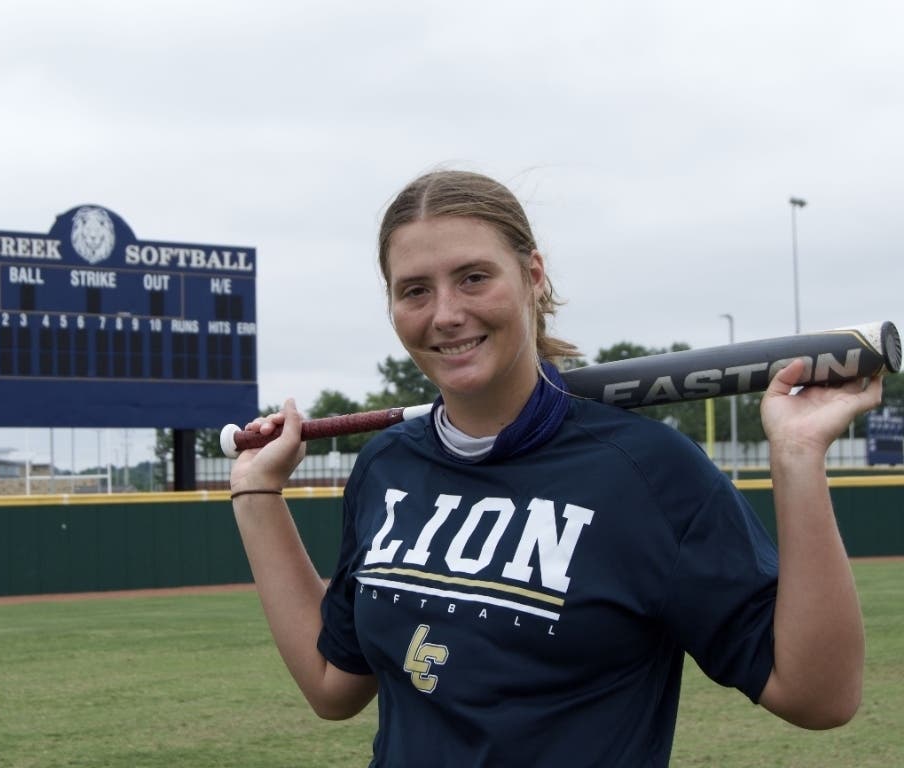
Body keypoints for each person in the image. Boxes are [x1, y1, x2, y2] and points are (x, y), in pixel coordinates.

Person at [230, 169, 883, 766]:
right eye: (415, 291)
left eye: (474, 277)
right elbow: (332, 687)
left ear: (532, 275)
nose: (446, 313)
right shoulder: (386, 467)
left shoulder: (649, 473)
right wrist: (257, 493)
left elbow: (819, 697)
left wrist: (798, 458)